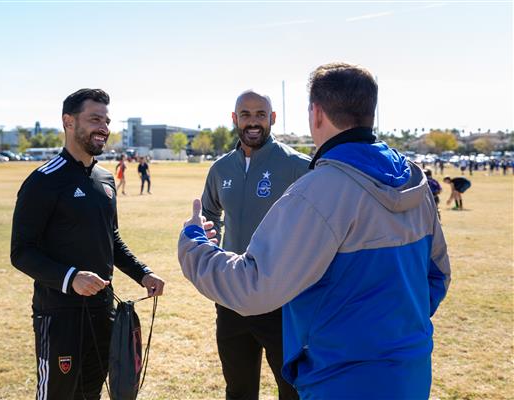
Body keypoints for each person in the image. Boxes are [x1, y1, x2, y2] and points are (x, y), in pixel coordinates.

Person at [178, 63, 451, 399]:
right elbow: (437, 276)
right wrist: (395, 331)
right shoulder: (415, 179)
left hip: (339, 377)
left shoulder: (318, 186)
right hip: (409, 372)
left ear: (316, 113)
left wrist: (193, 245)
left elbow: (255, 286)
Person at [11, 89, 165, 400]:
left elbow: (112, 239)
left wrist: (142, 273)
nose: (104, 128)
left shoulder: (105, 179)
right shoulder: (43, 181)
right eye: (95, 119)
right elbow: (21, 252)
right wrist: (71, 278)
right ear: (68, 122)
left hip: (102, 310)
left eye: (106, 121)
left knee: (91, 393)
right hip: (59, 315)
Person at [201, 90, 308, 400]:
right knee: (238, 390)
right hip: (231, 296)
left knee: (292, 390)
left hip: (281, 299)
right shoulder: (221, 168)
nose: (253, 122)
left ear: (272, 119)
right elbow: (209, 213)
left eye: (260, 114)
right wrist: (211, 250)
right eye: (245, 115)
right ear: (235, 119)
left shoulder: (297, 165)